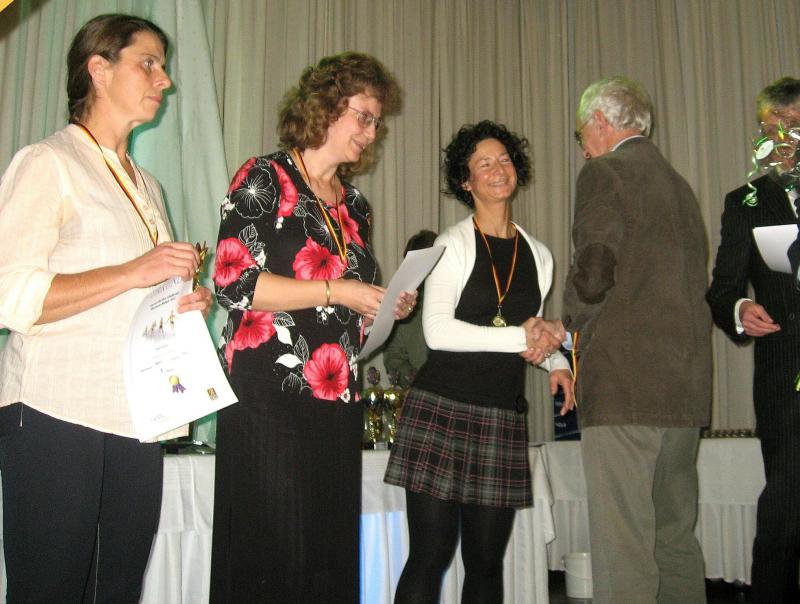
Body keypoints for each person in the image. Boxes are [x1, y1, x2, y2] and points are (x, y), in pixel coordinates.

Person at [0, 13, 212, 603]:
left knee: (117, 590)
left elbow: (136, 296)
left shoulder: (148, 187)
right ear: (98, 68)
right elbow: (9, 293)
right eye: (149, 63)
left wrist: (178, 304)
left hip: (136, 417)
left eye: (162, 66)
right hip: (56, 408)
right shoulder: (48, 161)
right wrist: (132, 272)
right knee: (50, 590)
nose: (164, 79)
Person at [210, 52, 413, 603]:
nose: (371, 132)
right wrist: (339, 290)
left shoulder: (356, 206)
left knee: (328, 552)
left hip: (336, 396)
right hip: (267, 396)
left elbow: (344, 305)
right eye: (363, 117)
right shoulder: (265, 176)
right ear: (325, 108)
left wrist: (377, 307)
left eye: (376, 122)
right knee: (272, 552)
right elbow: (233, 283)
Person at [385, 120, 574, 604]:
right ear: (465, 181)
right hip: (440, 410)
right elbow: (438, 332)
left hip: (501, 416)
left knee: (487, 566)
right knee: (429, 557)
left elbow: (531, 330)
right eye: (484, 163)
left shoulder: (540, 255)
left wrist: (556, 360)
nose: (498, 169)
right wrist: (523, 336)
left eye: (504, 159)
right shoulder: (449, 245)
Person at [563, 76, 712, 604]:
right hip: (685, 390)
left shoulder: (604, 172)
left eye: (582, 134)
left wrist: (567, 323)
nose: (584, 147)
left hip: (626, 389)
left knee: (623, 550)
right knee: (674, 540)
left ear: (602, 123)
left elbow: (595, 268)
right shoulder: (679, 186)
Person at [707, 76, 800, 603]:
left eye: (792, 124)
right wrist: (741, 310)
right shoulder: (745, 201)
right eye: (771, 127)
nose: (781, 136)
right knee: (785, 510)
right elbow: (722, 290)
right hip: (785, 376)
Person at [383, 229, 438, 387]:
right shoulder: (401, 304)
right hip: (420, 393)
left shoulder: (462, 297)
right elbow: (393, 356)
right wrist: (415, 381)